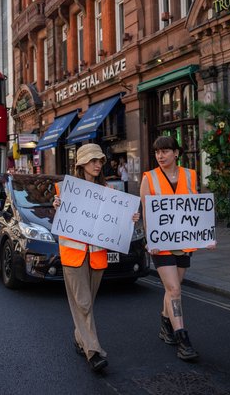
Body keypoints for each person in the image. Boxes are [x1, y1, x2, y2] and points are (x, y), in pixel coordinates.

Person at [53, 143, 139, 372]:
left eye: (100, 160)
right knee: (82, 303)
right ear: (81, 164)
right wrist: (57, 206)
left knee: (87, 304)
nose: (98, 165)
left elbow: (117, 223)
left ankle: (79, 337)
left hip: (97, 257)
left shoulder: (109, 191)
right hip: (73, 256)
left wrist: (130, 217)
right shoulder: (65, 189)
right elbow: (58, 217)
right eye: (93, 161)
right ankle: (94, 351)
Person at [139, 135, 210, 362]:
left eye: (166, 151)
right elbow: (146, 213)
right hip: (162, 245)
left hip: (184, 242)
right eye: (157, 152)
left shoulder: (190, 175)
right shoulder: (148, 178)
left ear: (176, 153)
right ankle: (182, 338)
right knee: (175, 290)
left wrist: (205, 235)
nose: (160, 156)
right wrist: (151, 241)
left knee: (172, 289)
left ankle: (164, 325)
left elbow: (197, 209)